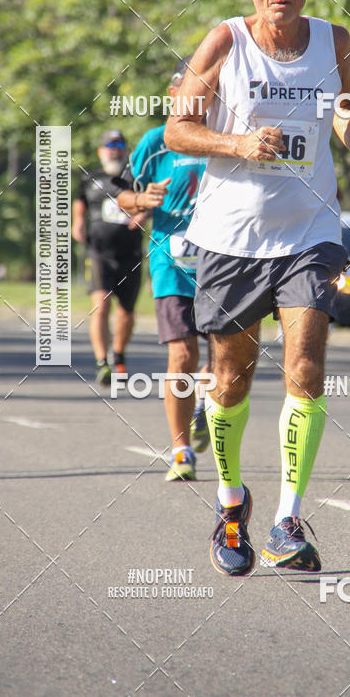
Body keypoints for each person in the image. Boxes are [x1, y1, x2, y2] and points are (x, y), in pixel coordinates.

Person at [164, 0, 350, 575]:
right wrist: (237, 144)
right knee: (230, 380)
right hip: (231, 239)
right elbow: (179, 128)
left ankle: (288, 520)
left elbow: (344, 108)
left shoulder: (332, 41)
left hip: (308, 234)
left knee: (305, 369)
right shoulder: (225, 42)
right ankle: (232, 503)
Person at [115, 57, 210, 481]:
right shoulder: (154, 142)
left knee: (226, 361)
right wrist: (143, 199)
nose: (196, 98)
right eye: (186, 90)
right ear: (173, 94)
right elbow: (121, 196)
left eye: (205, 90)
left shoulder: (223, 137)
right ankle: (181, 451)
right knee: (183, 354)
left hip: (224, 261)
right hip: (172, 261)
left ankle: (206, 404)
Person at [72, 130, 144, 385]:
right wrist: (77, 220)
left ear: (126, 150)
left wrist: (144, 215)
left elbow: (151, 203)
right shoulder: (90, 177)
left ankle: (118, 355)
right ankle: (102, 362)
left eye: (120, 145)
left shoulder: (136, 179)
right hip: (99, 253)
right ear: (100, 151)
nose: (115, 149)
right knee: (100, 305)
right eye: (109, 145)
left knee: (126, 312)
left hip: (131, 254)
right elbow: (80, 201)